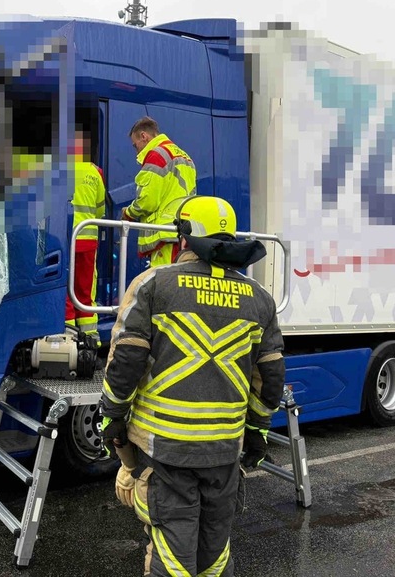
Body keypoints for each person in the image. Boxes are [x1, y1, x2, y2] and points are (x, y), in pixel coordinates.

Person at [100, 195, 286, 577]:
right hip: (224, 452)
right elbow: (270, 380)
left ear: (182, 236)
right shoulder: (260, 301)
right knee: (215, 556)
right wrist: (256, 431)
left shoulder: (152, 285)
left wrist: (112, 417)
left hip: (167, 453)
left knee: (172, 558)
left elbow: (127, 360)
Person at [121, 117, 197, 267]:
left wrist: (128, 213)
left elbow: (147, 201)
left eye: (135, 146)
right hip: (182, 232)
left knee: (163, 285)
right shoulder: (185, 156)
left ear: (144, 136)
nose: (137, 151)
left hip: (164, 235)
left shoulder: (156, 155)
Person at [65, 129, 106, 342]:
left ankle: (67, 336)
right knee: (85, 290)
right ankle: (90, 338)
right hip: (87, 240)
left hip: (63, 240)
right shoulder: (95, 172)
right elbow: (100, 211)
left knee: (64, 288)